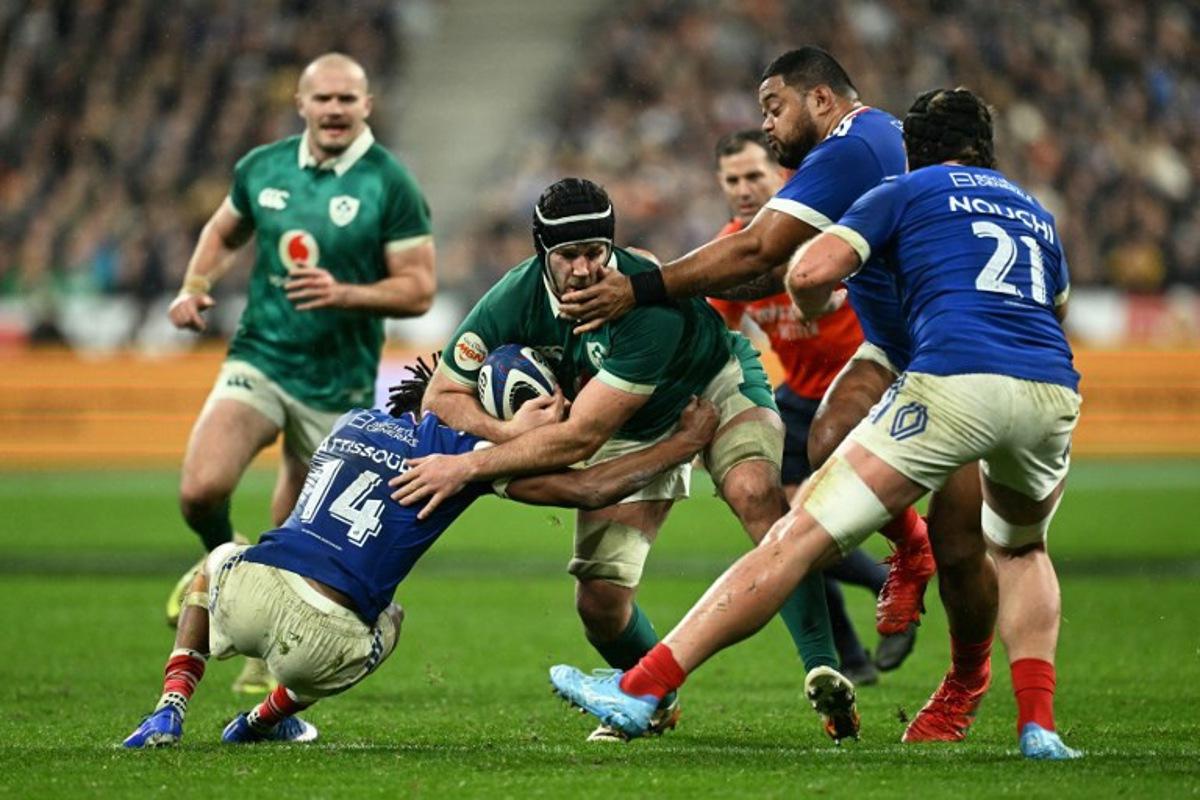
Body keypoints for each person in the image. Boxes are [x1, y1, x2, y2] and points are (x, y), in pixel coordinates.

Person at [549, 87, 1084, 761]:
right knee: (1022, 551)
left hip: (950, 379)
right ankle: (1038, 726)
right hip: (1048, 387)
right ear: (988, 149)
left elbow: (808, 267)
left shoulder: (906, 191)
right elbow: (1055, 304)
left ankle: (643, 687)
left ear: (913, 152)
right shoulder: (1035, 210)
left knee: (793, 536)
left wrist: (806, 295)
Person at [396, 177, 859, 742]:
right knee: (600, 605)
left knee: (757, 497)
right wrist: (503, 430)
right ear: (544, 255)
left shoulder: (642, 300)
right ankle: (652, 695)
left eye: (596, 252)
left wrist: (469, 464)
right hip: (625, 422)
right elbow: (440, 395)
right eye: (569, 256)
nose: (586, 269)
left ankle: (823, 666)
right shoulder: (512, 298)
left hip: (711, 387)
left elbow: (578, 441)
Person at [122, 356, 720, 748]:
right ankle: (262, 720)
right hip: (328, 643)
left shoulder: (353, 421)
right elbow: (590, 486)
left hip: (254, 593)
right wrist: (682, 443)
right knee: (389, 616)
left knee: (220, 554)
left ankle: (169, 709)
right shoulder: (466, 461)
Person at [556, 47, 936, 646]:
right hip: (878, 353)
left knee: (939, 537)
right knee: (822, 453)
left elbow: (760, 253)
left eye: (773, 106)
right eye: (730, 179)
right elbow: (752, 284)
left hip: (930, 347)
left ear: (820, 99)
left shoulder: (850, 148)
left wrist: (639, 289)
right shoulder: (865, 145)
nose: (766, 122)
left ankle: (931, 647)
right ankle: (897, 584)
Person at [164, 52, 436, 693]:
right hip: (261, 355)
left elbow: (419, 289)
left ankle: (259, 638)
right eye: (324, 99)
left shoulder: (390, 184)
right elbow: (224, 229)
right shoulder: (263, 167)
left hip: (338, 383)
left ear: (367, 105)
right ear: (303, 105)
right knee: (200, 489)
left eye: (348, 99)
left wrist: (345, 293)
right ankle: (220, 560)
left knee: (296, 536)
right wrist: (195, 284)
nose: (335, 110)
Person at [705, 130, 914, 684]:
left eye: (755, 176)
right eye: (733, 180)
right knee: (780, 527)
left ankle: (889, 587)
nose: (745, 189)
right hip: (797, 397)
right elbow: (716, 338)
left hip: (860, 391)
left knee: (802, 527)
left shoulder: (824, 229)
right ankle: (851, 651)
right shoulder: (733, 250)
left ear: (784, 181)